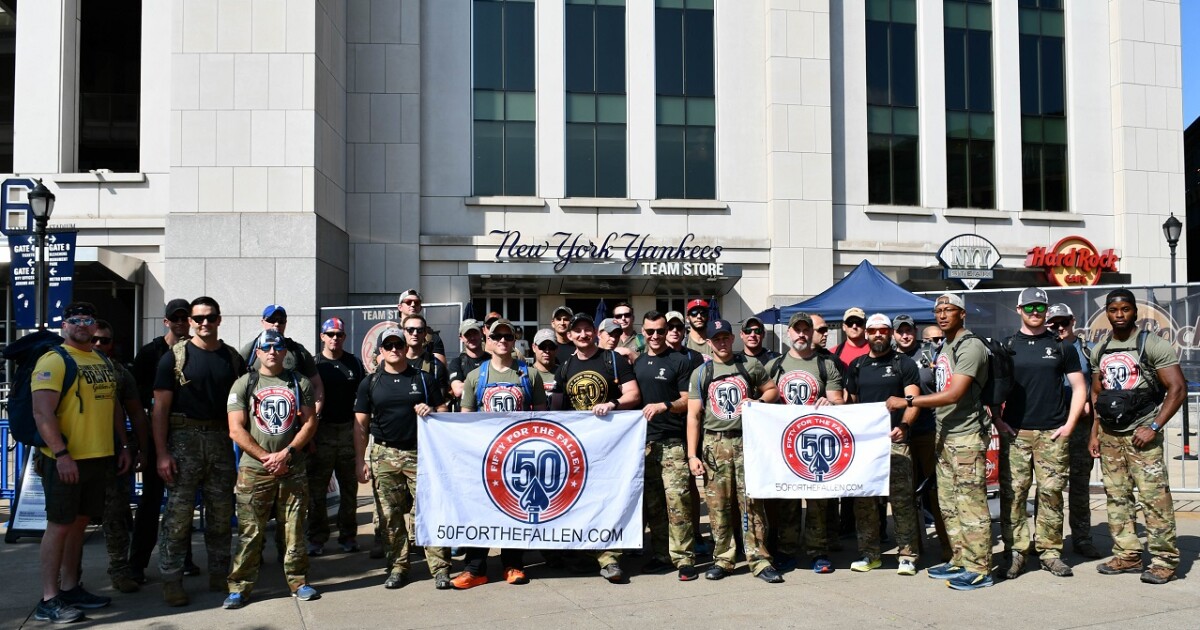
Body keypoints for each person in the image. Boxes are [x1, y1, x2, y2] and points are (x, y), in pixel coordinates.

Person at [31, 302, 131, 623]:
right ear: (64, 325)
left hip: (97, 459)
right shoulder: (54, 360)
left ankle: (72, 588)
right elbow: (42, 412)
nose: (82, 325)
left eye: (87, 320)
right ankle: (50, 597)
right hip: (66, 460)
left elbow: (112, 405)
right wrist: (61, 454)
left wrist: (124, 445)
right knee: (59, 527)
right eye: (74, 320)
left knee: (78, 526)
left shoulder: (100, 359)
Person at [885, 293, 993, 591]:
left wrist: (907, 400)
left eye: (949, 310)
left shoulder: (970, 346)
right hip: (945, 436)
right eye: (939, 310)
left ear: (963, 314)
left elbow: (954, 394)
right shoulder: (946, 346)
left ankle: (980, 567)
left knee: (971, 505)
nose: (943, 315)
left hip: (967, 436)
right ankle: (959, 559)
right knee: (948, 505)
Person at [154, 296, 247, 606]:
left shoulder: (232, 359)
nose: (204, 323)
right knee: (178, 518)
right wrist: (161, 454)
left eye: (210, 317)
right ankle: (171, 579)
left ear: (219, 320)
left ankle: (220, 574)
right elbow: (160, 410)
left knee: (221, 514)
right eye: (198, 318)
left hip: (221, 440)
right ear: (190, 322)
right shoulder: (173, 358)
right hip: (183, 442)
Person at [1089, 288, 1185, 585]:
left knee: (1154, 499)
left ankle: (1164, 560)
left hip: (1142, 434)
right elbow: (1097, 393)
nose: (1119, 315)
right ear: (1107, 312)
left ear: (1135, 312)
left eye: (1125, 309)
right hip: (1110, 436)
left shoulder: (1152, 344)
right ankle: (1128, 554)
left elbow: (1177, 388)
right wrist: (1095, 432)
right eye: (1114, 310)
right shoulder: (1100, 348)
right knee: (1117, 498)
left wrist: (1154, 427)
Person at [224, 330, 321, 609]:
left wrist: (287, 453)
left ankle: (298, 581)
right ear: (257, 352)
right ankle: (240, 587)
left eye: (277, 347)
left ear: (284, 352)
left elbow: (310, 423)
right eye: (266, 347)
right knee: (250, 531)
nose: (272, 352)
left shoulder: (299, 382)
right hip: (255, 469)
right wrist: (267, 457)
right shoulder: (244, 384)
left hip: (292, 466)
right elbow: (235, 429)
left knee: (295, 529)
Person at [995, 288, 1088, 580]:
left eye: (1040, 308)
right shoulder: (1006, 346)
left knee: (1050, 495)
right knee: (1014, 495)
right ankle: (1017, 552)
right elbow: (992, 388)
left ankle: (1049, 552)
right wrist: (997, 420)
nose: (1035, 313)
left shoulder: (1062, 347)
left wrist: (1070, 425)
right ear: (1019, 309)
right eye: (1030, 308)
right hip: (1017, 433)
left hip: (1053, 434)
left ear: (1046, 311)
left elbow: (1080, 388)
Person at [452, 318, 547, 589]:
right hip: (486, 459)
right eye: (498, 336)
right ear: (488, 340)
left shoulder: (529, 374)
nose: (503, 341)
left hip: (519, 458)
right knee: (479, 511)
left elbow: (541, 416)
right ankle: (475, 568)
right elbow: (465, 421)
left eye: (508, 337)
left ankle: (513, 564)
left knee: (513, 511)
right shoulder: (475, 376)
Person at [354, 327, 451, 590]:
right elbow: (360, 425)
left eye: (398, 344)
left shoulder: (423, 379)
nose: (394, 349)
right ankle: (398, 566)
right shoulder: (370, 382)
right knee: (390, 516)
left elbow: (443, 410)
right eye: (389, 345)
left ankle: (440, 568)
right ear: (381, 351)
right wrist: (360, 460)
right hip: (383, 455)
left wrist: (431, 410)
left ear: (405, 347)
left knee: (428, 512)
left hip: (419, 453)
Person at [686, 318, 781, 583]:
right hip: (714, 445)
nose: (722, 342)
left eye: (726, 337)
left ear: (732, 338)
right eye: (717, 339)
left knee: (751, 504)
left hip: (746, 442)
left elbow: (772, 390)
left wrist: (758, 400)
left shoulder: (749, 365)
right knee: (717, 506)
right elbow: (693, 416)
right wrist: (693, 455)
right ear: (710, 342)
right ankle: (724, 559)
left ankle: (759, 559)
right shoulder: (701, 373)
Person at [552, 312, 642, 583]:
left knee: (607, 500)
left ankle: (609, 557)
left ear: (595, 332)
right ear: (569, 336)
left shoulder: (612, 359)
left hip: (611, 446)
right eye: (576, 331)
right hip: (578, 448)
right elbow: (557, 406)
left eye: (587, 330)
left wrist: (613, 404)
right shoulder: (565, 366)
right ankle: (580, 553)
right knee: (579, 500)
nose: (582, 335)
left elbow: (634, 394)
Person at [763, 312, 843, 573]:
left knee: (817, 500)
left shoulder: (825, 365)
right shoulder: (774, 366)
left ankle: (818, 551)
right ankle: (786, 550)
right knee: (787, 499)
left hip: (815, 443)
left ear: (811, 333)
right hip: (784, 444)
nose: (801, 334)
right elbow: (761, 399)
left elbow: (838, 400)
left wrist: (830, 402)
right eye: (796, 330)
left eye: (805, 330)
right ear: (788, 333)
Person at [843, 314, 921, 576]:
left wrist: (905, 425)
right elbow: (850, 404)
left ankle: (907, 555)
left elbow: (913, 399)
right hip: (866, 447)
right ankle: (869, 554)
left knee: (902, 501)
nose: (878, 334)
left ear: (890, 334)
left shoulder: (904, 363)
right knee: (864, 503)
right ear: (866, 334)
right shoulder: (856, 365)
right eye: (873, 330)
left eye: (883, 330)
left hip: (897, 443)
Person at [129, 298, 199, 583]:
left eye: (186, 318)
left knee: (182, 503)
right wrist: (141, 446)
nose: (181, 323)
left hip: (188, 437)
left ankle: (184, 558)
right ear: (166, 321)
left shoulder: (198, 351)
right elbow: (135, 400)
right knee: (151, 501)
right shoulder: (150, 353)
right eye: (176, 318)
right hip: (156, 434)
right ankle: (137, 564)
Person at [633, 311, 698, 581]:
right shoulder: (636, 363)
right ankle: (662, 555)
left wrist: (665, 406)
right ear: (643, 332)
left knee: (678, 503)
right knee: (654, 506)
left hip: (672, 443)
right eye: (650, 332)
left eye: (661, 331)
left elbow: (688, 401)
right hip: (644, 445)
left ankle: (684, 559)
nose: (656, 336)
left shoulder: (679, 361)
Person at [95, 320, 152, 594]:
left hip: (114, 454)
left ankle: (120, 570)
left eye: (103, 340)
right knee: (69, 521)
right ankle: (65, 580)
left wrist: (140, 448)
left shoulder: (119, 373)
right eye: (93, 339)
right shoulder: (67, 366)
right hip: (75, 456)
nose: (98, 345)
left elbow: (136, 413)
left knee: (116, 516)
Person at [1046, 302, 1104, 559]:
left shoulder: (1087, 351)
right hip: (1049, 425)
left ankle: (1082, 538)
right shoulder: (1041, 348)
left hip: (1080, 427)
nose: (1059, 328)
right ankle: (1047, 539)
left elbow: (1097, 389)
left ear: (1073, 322)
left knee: (1079, 486)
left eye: (1064, 322)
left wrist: (1094, 427)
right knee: (1049, 488)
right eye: (1054, 324)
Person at [307, 317, 365, 557]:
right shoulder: (312, 364)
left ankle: (348, 536)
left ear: (344, 337)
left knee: (350, 489)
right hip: (321, 433)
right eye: (330, 334)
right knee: (316, 491)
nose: (334, 338)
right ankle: (317, 538)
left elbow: (363, 402)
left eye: (339, 335)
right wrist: (308, 436)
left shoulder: (354, 363)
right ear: (322, 336)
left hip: (348, 430)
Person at [894, 316, 951, 562]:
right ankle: (913, 549)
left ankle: (949, 547)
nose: (905, 336)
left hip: (928, 431)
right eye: (900, 332)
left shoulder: (930, 352)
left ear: (914, 332)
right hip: (899, 435)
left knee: (936, 492)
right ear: (894, 334)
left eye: (909, 331)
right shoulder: (890, 358)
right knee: (906, 494)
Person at [240, 305, 324, 416]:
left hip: (292, 421)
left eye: (281, 321)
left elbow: (317, 385)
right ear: (263, 322)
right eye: (271, 320)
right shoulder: (250, 350)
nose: (276, 324)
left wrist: (314, 417)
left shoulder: (298, 351)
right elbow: (236, 385)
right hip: (257, 419)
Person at [447, 319, 490, 412]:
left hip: (489, 416)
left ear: (481, 334)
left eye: (475, 333)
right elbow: (458, 390)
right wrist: (487, 384)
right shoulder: (457, 362)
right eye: (467, 334)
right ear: (461, 338)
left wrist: (467, 383)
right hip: (466, 417)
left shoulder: (492, 360)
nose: (472, 338)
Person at [397, 289, 447, 366]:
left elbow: (440, 367)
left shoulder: (432, 337)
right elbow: (383, 363)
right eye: (408, 302)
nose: (413, 305)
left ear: (420, 307)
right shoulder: (389, 335)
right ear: (400, 307)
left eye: (417, 302)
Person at [531, 328, 559, 396]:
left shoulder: (563, 373)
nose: (547, 351)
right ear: (534, 347)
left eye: (551, 346)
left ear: (557, 349)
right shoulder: (527, 374)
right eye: (542, 346)